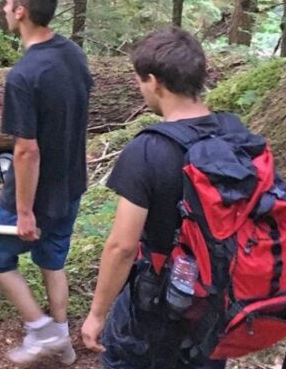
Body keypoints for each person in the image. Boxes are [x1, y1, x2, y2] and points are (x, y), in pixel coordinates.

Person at [80, 28, 229, 369]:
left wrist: (97, 314)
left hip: (155, 306)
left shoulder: (148, 149)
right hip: (216, 304)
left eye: (139, 80)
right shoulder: (235, 137)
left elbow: (122, 247)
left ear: (155, 82)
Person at [0, 0, 92, 365]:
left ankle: (41, 330)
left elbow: (26, 152)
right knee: (51, 258)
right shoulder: (73, 54)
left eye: (8, 3)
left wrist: (24, 211)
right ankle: (63, 339)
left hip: (37, 195)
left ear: (21, 11)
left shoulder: (24, 76)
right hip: (71, 185)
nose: (4, 9)